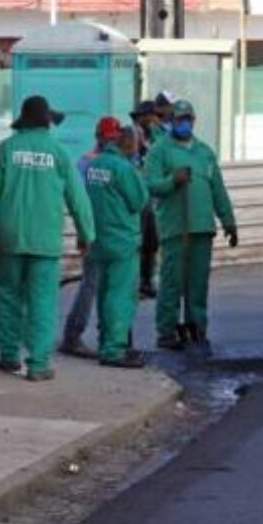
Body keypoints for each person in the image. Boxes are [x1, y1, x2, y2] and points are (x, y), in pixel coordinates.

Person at [0, 96, 95, 382]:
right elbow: (78, 199)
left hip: (10, 237)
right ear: (46, 122)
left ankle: (8, 357)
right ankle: (38, 364)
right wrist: (86, 234)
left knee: (8, 297)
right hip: (45, 239)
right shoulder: (59, 153)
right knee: (42, 301)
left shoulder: (6, 150)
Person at [146, 100, 237, 351]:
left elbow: (217, 188)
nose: (184, 123)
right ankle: (167, 331)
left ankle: (197, 326)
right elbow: (149, 185)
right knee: (172, 282)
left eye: (188, 119)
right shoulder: (159, 150)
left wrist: (228, 221)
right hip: (175, 227)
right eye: (179, 119)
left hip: (201, 227)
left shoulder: (204, 152)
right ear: (171, 121)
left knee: (198, 283)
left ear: (193, 120)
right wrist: (172, 180)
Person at [83, 119, 151, 368]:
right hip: (122, 240)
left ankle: (105, 343)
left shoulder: (93, 166)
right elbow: (138, 201)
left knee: (104, 294)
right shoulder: (123, 168)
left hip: (99, 239)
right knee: (120, 296)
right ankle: (114, 350)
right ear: (123, 140)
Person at [58, 121, 120, 359]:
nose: (112, 141)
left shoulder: (117, 162)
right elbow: (79, 200)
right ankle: (72, 336)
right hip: (96, 231)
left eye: (115, 137)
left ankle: (108, 335)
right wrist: (83, 233)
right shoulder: (86, 162)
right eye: (108, 137)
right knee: (91, 284)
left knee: (108, 285)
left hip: (112, 231)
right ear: (98, 136)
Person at [131, 100, 161, 299]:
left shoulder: (158, 137)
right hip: (136, 196)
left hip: (154, 197)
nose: (152, 121)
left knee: (153, 240)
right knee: (138, 242)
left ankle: (148, 280)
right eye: (148, 116)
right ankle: (137, 282)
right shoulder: (131, 136)